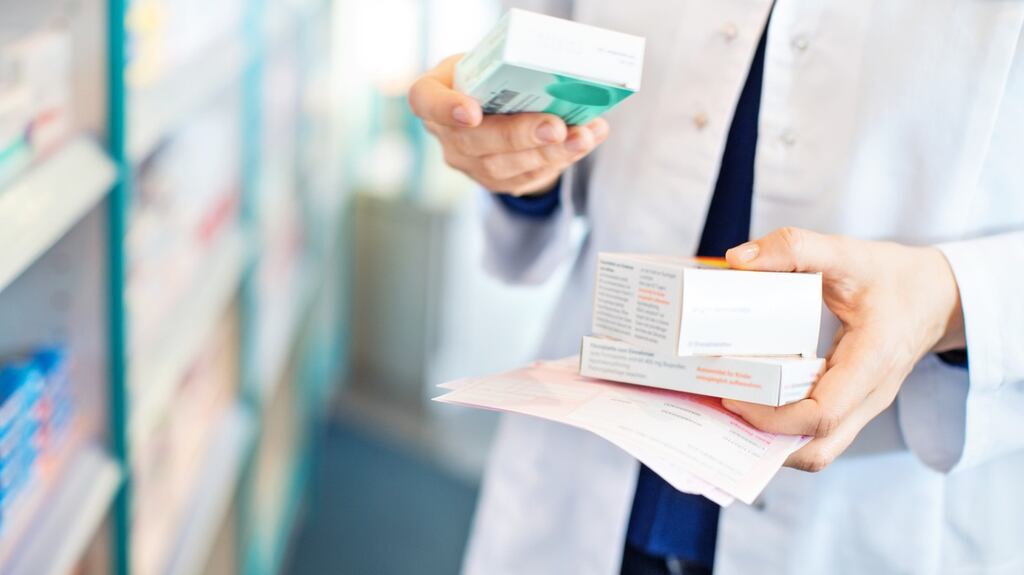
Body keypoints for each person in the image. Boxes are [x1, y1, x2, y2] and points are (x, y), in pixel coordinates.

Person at [408, 2, 1024, 574]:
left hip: (877, 502)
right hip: (589, 475)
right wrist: (512, 160)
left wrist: (947, 299)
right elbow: (544, 91)